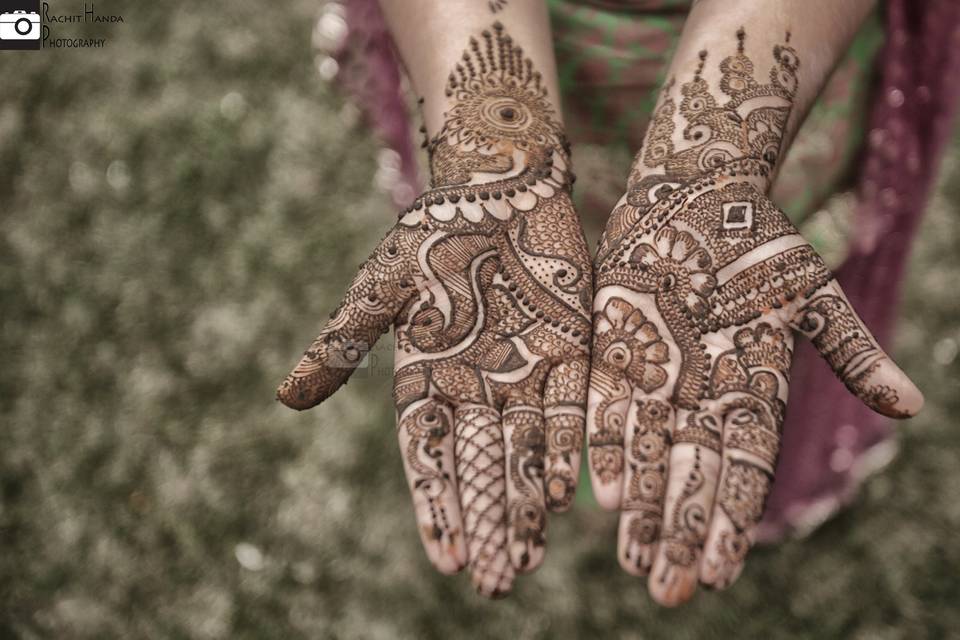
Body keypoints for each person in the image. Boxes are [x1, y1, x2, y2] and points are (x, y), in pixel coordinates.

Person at [277, 0, 958, 606]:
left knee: (745, 297)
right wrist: (492, 151)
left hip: (783, 42)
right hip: (479, 35)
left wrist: (710, 163)